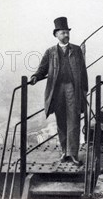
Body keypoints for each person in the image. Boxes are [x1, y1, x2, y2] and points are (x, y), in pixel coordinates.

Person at [29, 17, 89, 166]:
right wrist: (36, 76)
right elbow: (42, 68)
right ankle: (64, 152)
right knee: (61, 121)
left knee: (74, 120)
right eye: (62, 33)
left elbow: (83, 72)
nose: (66, 35)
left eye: (67, 32)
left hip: (72, 89)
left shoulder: (76, 50)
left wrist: (84, 90)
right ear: (56, 35)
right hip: (57, 91)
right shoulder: (50, 52)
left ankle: (73, 154)